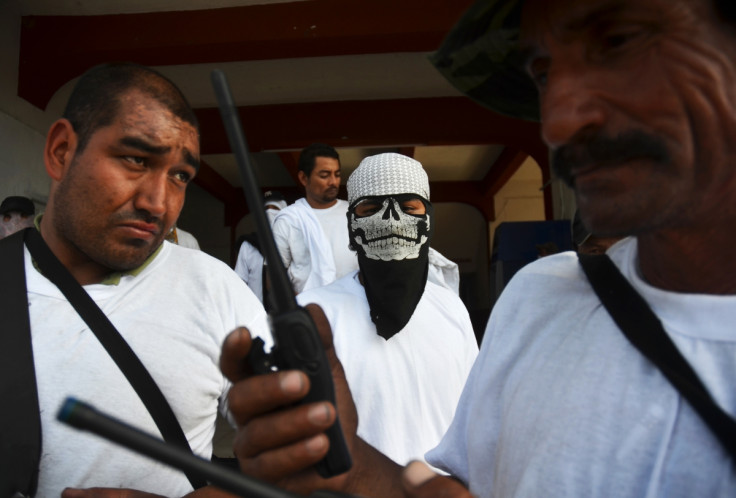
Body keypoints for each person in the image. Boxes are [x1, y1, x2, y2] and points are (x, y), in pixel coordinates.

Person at [218, 0, 736, 497]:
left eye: (619, 42)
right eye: (544, 76)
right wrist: (348, 469)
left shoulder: (450, 308)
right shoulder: (539, 301)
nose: (556, 122)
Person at [0, 62, 270, 497]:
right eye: (136, 159)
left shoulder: (214, 290)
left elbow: (300, 465)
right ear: (62, 151)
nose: (158, 204)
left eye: (180, 176)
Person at [295, 152, 478, 466]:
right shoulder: (313, 314)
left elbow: (476, 415)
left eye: (408, 208)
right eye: (371, 209)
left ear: (428, 219)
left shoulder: (451, 309)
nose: (390, 221)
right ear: (352, 224)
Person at [271, 143, 358, 294]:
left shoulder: (354, 213)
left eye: (337, 174)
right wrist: (301, 307)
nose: (333, 182)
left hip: (354, 304)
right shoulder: (289, 219)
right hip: (308, 309)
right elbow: (274, 277)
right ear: (304, 178)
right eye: (324, 175)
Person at [234, 190, 288, 303]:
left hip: (285, 313)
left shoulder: (292, 243)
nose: (269, 212)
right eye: (265, 208)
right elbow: (239, 282)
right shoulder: (248, 245)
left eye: (274, 208)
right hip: (256, 314)